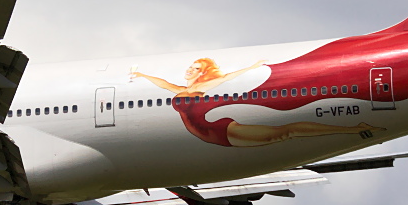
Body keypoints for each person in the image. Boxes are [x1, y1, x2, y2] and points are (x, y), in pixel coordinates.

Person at [130, 58, 381, 147]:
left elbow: (228, 77)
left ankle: (353, 128)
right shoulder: (184, 89)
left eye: (194, 68)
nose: (188, 70)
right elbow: (165, 85)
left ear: (202, 73)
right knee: (285, 133)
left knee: (285, 133)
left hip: (218, 130)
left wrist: (251, 68)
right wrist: (142, 76)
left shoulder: (203, 87)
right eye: (189, 67)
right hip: (208, 134)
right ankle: (354, 128)